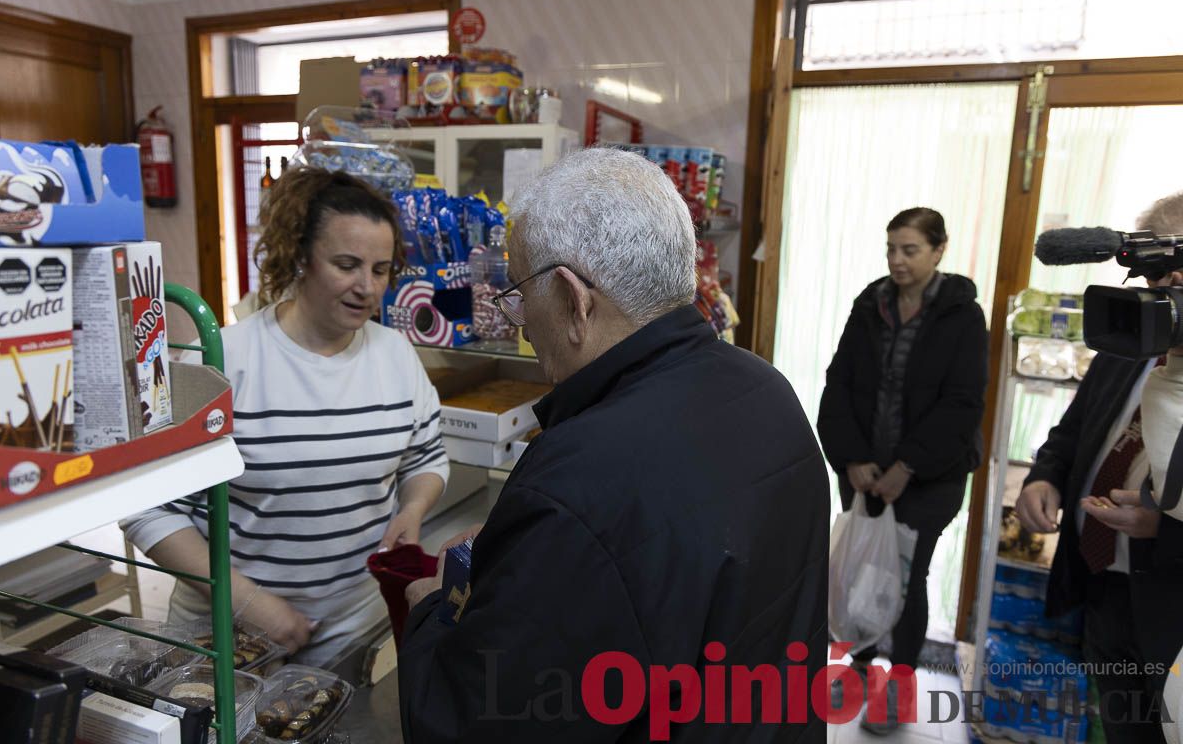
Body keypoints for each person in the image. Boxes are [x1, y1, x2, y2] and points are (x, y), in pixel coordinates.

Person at [396, 148, 830, 743]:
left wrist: (431, 611)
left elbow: (474, 722)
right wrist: (529, 557)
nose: (520, 321)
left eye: (520, 292)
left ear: (574, 300)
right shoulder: (767, 390)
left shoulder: (578, 479)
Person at [122, 168, 449, 667]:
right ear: (299, 256)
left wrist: (412, 510)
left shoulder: (397, 356)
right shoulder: (224, 360)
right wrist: (250, 603)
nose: (367, 287)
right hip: (228, 636)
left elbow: (426, 458)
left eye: (380, 270)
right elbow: (147, 506)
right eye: (346, 265)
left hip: (351, 631)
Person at [1016, 193, 1183, 744]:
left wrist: (1166, 518)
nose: (1165, 296)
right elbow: (1075, 430)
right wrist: (1045, 475)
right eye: (1156, 280)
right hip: (1104, 585)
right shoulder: (1131, 336)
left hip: (1171, 601)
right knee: (1120, 728)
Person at [817, 207, 989, 734]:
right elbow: (839, 381)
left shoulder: (961, 315)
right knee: (862, 572)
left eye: (909, 250)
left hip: (929, 477)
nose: (896, 260)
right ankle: (862, 668)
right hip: (864, 470)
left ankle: (901, 687)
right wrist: (851, 459)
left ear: (939, 250)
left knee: (909, 579)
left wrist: (907, 466)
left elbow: (962, 404)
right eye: (891, 248)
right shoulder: (870, 304)